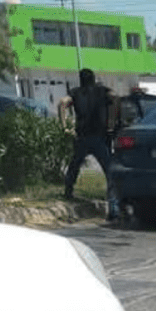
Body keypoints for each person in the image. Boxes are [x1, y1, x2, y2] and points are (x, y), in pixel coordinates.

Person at [59, 68, 120, 221]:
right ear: (94, 78)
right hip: (100, 136)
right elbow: (115, 98)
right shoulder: (102, 91)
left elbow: (62, 102)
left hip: (82, 137)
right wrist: (112, 120)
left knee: (74, 165)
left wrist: (64, 125)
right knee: (110, 171)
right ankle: (113, 208)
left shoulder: (76, 92)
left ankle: (68, 191)